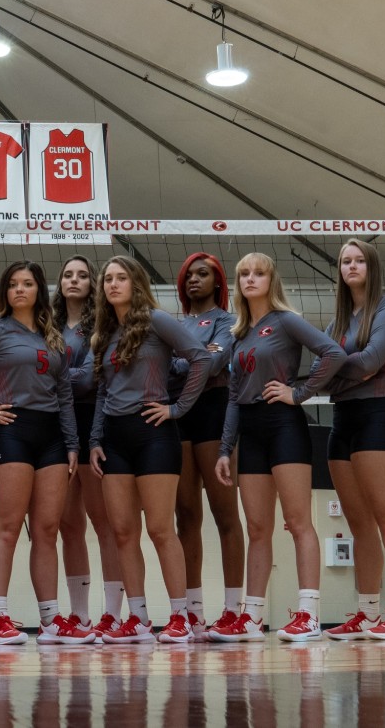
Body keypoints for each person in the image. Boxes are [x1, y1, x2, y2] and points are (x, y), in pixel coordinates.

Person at [210, 253, 345, 642]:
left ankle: (309, 615)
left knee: (299, 522)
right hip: (249, 432)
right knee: (257, 528)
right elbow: (234, 398)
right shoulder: (238, 334)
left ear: (272, 280)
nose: (250, 279)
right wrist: (224, 449)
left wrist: (299, 393)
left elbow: (332, 353)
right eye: (244, 275)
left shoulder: (285, 321)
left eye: (258, 273)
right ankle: (251, 618)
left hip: (284, 425)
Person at [0, 261, 81, 645]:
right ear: (5, 291)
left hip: (51, 434)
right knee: (7, 527)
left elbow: (66, 394)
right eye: (13, 284)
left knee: (47, 530)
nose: (20, 290)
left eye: (27, 284)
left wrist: (72, 443)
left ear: (39, 289)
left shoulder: (52, 336)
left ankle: (51, 620)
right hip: (11, 430)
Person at [88, 256, 209, 644]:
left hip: (154, 432)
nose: (113, 284)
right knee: (123, 532)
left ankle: (179, 617)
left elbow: (201, 358)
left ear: (136, 283)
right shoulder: (104, 332)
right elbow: (103, 390)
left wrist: (178, 408)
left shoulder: (158, 321)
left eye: (121, 277)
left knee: (160, 529)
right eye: (108, 278)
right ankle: (137, 618)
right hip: (115, 438)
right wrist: (94, 439)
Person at [315, 239, 385, 640]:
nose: (351, 266)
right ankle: (369, 613)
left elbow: (371, 362)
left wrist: (333, 371)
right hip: (344, 419)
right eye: (345, 261)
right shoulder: (338, 322)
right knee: (359, 524)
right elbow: (328, 370)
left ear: (371, 267)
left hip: (381, 413)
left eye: (359, 260)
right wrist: (339, 372)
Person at [49, 255, 124, 640]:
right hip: (55, 426)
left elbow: (94, 378)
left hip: (96, 421)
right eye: (67, 274)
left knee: (104, 521)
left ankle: (112, 613)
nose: (74, 280)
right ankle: (79, 616)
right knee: (67, 523)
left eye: (82, 275)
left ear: (92, 284)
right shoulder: (47, 325)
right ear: (59, 283)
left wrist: (60, 376)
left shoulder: (104, 326)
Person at [171, 253, 244, 636]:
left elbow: (212, 366)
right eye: (189, 275)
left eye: (203, 274)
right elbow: (179, 366)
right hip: (180, 416)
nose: (194, 280)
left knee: (225, 514)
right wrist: (192, 360)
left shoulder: (229, 322)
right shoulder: (175, 324)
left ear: (218, 281)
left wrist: (184, 362)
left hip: (214, 411)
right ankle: (192, 611)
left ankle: (234, 610)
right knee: (185, 514)